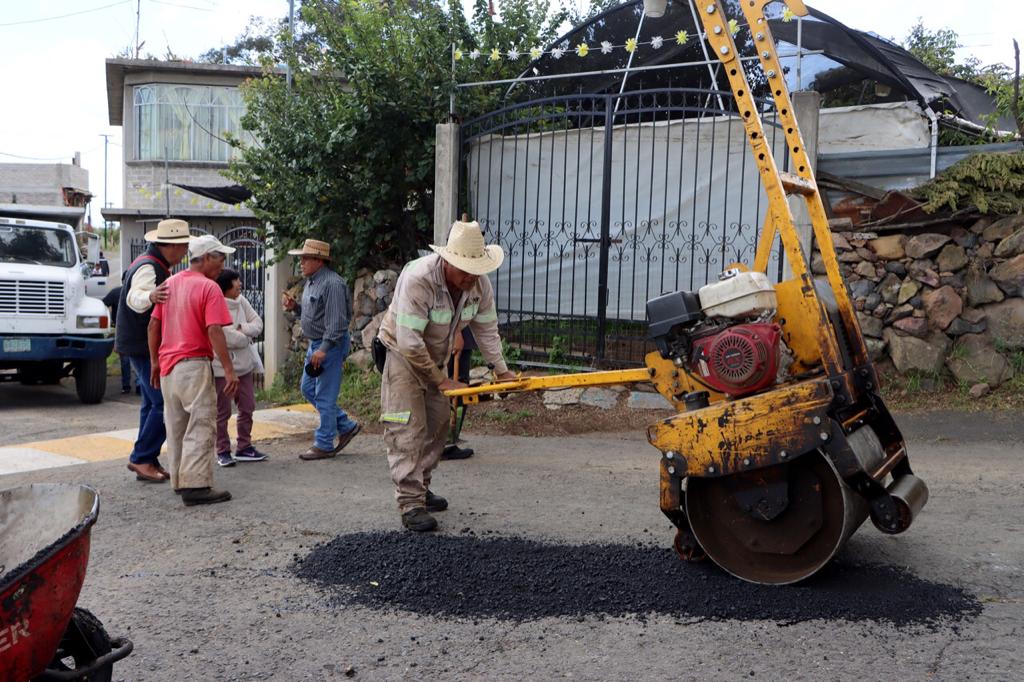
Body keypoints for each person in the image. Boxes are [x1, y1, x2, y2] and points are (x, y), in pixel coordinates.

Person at [377, 219, 516, 532]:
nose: (469, 277)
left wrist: (502, 370)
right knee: (407, 427)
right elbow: (410, 342)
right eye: (464, 269)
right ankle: (410, 503)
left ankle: (421, 488)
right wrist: (441, 381)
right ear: (447, 260)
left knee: (439, 424)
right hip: (401, 355)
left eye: (475, 270)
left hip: (434, 359)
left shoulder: (478, 284)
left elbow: (487, 329)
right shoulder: (419, 278)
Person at [148, 234, 239, 506]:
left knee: (176, 426)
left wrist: (155, 361)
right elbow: (214, 330)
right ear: (207, 258)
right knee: (201, 423)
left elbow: (153, 326)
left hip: (168, 368)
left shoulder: (170, 284)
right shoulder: (209, 288)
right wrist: (229, 370)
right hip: (193, 365)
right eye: (220, 258)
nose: (223, 264)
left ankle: (179, 480)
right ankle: (196, 485)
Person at [117, 218, 190, 483]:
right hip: (142, 344)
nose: (184, 252)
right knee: (163, 402)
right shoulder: (149, 267)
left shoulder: (150, 263)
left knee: (150, 403)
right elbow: (135, 298)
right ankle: (141, 458)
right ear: (169, 246)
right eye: (183, 246)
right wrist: (150, 297)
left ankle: (147, 457)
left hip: (137, 344)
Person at [281, 239, 360, 460]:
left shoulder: (332, 284)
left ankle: (324, 443)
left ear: (319, 260)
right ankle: (346, 425)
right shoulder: (312, 281)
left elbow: (336, 323)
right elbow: (314, 314)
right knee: (308, 389)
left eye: (305, 258)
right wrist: (295, 308)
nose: (301, 263)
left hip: (329, 345)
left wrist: (323, 349)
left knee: (324, 396)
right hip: (317, 344)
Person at [212, 269, 267, 467]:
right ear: (226, 287)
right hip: (221, 367)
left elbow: (258, 324)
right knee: (222, 411)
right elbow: (224, 335)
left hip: (244, 366)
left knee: (247, 406)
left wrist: (241, 329)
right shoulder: (216, 302)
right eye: (236, 283)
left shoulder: (242, 301)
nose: (240, 286)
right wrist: (244, 335)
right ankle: (223, 450)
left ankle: (244, 446)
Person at [442, 327, 475, 460]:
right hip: (447, 335)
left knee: (461, 387)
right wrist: (456, 331)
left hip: (460, 333)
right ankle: (445, 443)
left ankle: (450, 440)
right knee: (452, 386)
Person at [102, 282, 138, 394]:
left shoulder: (115, 292)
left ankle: (126, 386)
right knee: (138, 358)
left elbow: (103, 304)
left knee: (125, 359)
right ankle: (139, 385)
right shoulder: (138, 292)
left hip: (121, 328)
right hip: (137, 328)